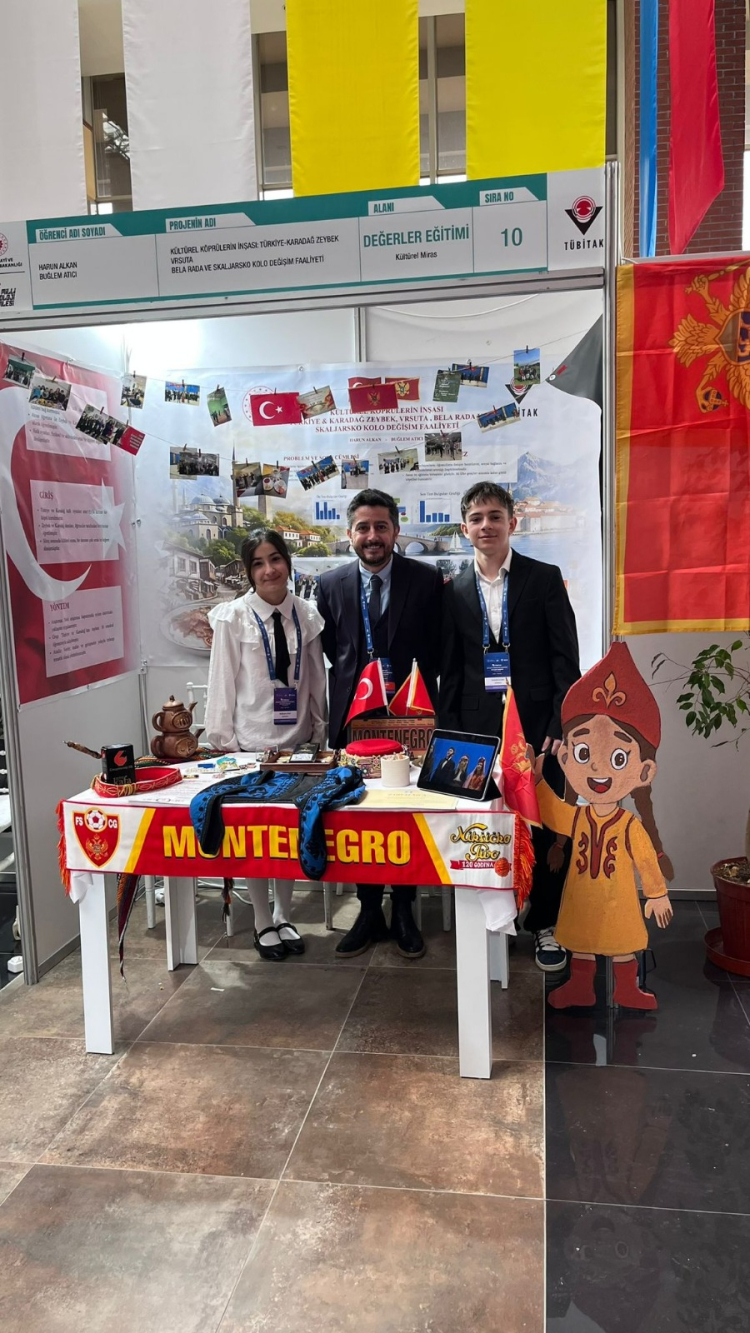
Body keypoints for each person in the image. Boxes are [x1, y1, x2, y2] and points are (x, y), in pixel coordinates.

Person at [439, 481, 581, 972]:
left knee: (546, 828)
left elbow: (566, 660)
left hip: (539, 731)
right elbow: (451, 670)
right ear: (465, 529)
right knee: (484, 828)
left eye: (495, 516)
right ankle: (493, 920)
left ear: (512, 523)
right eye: (476, 518)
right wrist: (452, 736)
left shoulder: (544, 579)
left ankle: (544, 923)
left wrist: (559, 724)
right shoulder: (454, 590)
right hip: (479, 733)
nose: (486, 526)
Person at [317, 488, 443, 959]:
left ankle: (405, 909)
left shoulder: (426, 580)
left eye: (381, 527)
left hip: (412, 716)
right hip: (355, 718)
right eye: (363, 528)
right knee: (358, 811)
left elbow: (437, 648)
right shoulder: (329, 584)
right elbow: (333, 650)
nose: (373, 536)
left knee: (405, 811)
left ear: (396, 530)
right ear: (350, 533)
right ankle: (369, 909)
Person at [204, 529, 328, 962]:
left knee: (289, 831)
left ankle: (284, 913)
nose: (269, 570)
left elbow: (316, 678)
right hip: (250, 744)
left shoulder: (307, 615)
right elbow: (221, 682)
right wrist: (223, 742)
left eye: (275, 559)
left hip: (297, 744)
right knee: (255, 834)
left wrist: (319, 730)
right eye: (258, 563)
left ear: (288, 563)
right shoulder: (233, 617)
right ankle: (261, 919)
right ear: (248, 571)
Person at [531, 642, 673, 1009]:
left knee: (621, 943)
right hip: (582, 898)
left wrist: (656, 893)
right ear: (566, 758)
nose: (597, 768)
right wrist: (538, 782)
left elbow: (645, 859)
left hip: (619, 900)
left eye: (618, 758)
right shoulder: (578, 817)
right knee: (581, 941)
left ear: (644, 771)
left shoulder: (628, 825)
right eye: (583, 753)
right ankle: (580, 987)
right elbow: (554, 813)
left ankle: (626, 989)